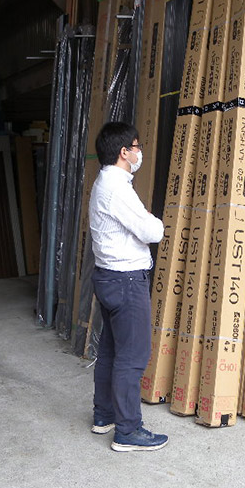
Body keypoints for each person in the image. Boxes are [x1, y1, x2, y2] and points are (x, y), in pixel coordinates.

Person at [88, 121, 168, 452]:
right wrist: (150, 219)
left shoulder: (105, 182)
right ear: (124, 152)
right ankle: (128, 431)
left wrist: (143, 218)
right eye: (137, 147)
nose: (139, 152)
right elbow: (153, 232)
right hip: (126, 281)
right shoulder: (117, 188)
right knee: (133, 356)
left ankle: (104, 415)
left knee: (110, 351)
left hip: (108, 277)